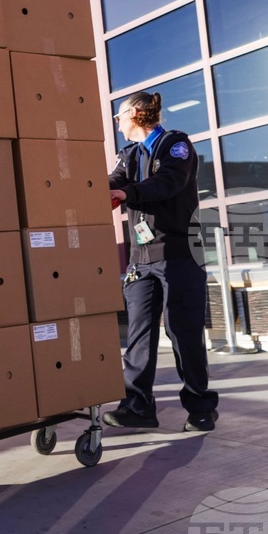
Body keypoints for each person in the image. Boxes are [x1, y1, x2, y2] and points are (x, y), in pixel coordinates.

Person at [105, 91, 219, 433]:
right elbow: (115, 181)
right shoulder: (129, 155)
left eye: (119, 117)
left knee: (183, 333)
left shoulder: (176, 145)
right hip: (141, 260)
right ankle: (138, 406)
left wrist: (127, 194)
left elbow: (168, 182)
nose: (118, 123)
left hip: (180, 254)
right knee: (139, 335)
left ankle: (200, 407)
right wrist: (90, 189)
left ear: (136, 114)